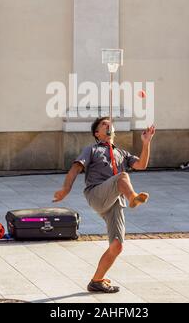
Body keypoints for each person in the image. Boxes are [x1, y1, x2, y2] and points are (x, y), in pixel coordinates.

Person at [53, 117, 155, 294]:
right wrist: (65, 189)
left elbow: (141, 165)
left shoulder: (122, 153)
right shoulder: (92, 149)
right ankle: (133, 198)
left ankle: (96, 281)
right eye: (103, 124)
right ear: (97, 133)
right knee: (122, 177)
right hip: (96, 193)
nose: (108, 125)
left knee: (117, 245)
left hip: (115, 201)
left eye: (110, 124)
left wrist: (146, 143)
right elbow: (75, 168)